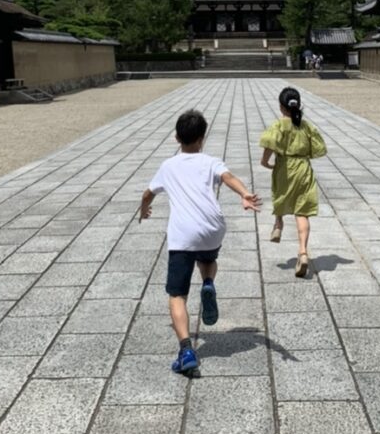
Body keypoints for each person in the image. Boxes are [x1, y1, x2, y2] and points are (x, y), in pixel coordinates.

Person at [140, 108, 261, 377]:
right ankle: (207, 282)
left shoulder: (168, 166)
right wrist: (244, 194)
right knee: (208, 258)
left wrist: (144, 209)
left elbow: (148, 194)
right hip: (212, 228)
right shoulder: (210, 161)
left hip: (183, 235)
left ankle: (186, 351)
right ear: (202, 139)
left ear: (176, 138)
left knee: (177, 295)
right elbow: (228, 178)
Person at [259, 86, 327, 277]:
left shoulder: (278, 126)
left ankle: (278, 224)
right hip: (303, 168)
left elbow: (269, 145)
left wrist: (265, 162)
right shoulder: (305, 126)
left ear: (281, 107)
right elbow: (318, 148)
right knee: (302, 211)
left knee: (280, 195)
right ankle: (303, 252)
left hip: (284, 167)